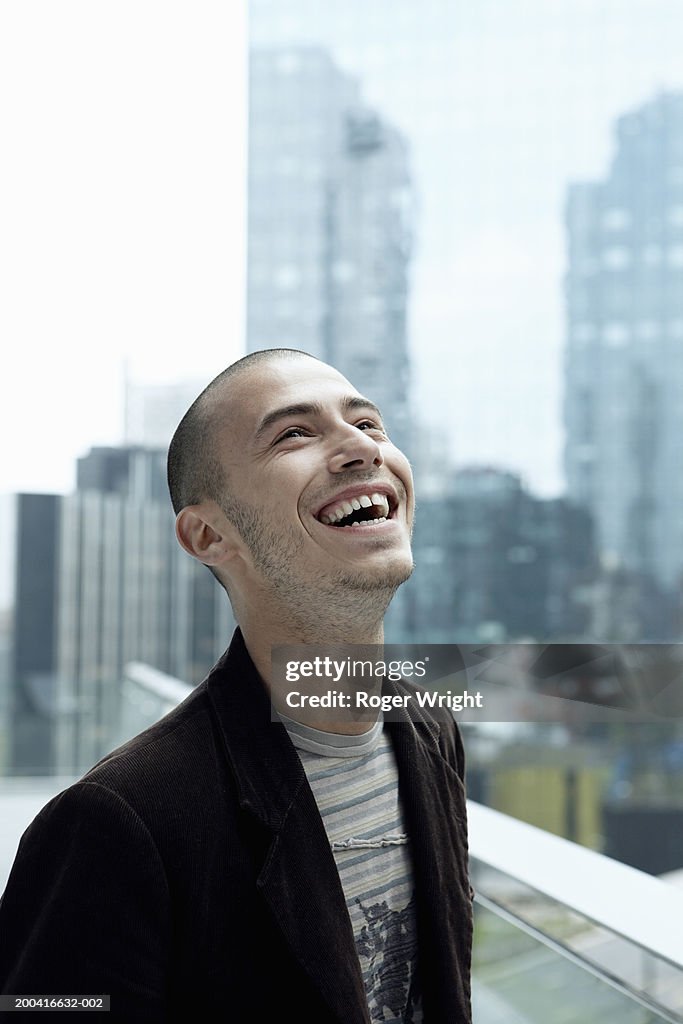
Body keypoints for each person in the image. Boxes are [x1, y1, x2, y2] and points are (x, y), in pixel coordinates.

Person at [0, 349, 473, 1022]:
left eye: (368, 423)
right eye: (293, 434)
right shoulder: (113, 822)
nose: (358, 447)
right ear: (208, 534)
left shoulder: (430, 731)